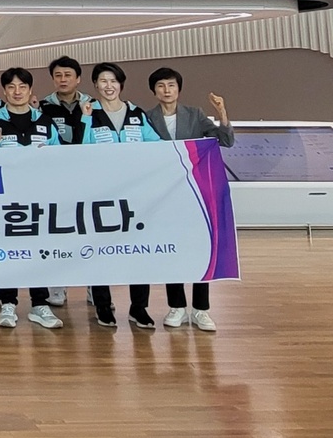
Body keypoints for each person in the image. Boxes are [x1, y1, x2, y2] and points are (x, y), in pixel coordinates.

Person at [145, 67, 233, 332]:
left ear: (178, 89)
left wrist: (222, 113)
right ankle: (177, 306)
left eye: (171, 85)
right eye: (161, 86)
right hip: (164, 194)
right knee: (172, 249)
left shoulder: (194, 114)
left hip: (195, 192)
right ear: (154, 91)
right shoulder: (147, 118)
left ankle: (201, 309)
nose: (167, 90)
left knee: (198, 248)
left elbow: (225, 140)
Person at [79, 61, 162, 329]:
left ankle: (139, 308)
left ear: (121, 84)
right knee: (100, 249)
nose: (109, 86)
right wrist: (85, 118)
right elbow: (79, 150)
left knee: (138, 250)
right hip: (100, 193)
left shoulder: (136, 113)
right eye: (103, 81)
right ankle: (103, 306)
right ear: (95, 85)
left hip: (136, 194)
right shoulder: (89, 113)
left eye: (113, 81)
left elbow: (157, 146)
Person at [0, 67, 63, 330]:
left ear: (30, 90)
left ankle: (40, 304)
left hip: (39, 198)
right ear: (4, 91)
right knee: (8, 250)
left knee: (38, 250)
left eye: (22, 87)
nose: (17, 92)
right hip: (5, 200)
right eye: (11, 87)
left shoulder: (45, 122)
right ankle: (8, 303)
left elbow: (61, 158)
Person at [35, 56, 93, 308]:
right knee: (57, 231)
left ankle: (94, 287)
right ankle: (57, 287)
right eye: (58, 75)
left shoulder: (92, 105)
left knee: (89, 230)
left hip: (87, 176)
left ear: (78, 78)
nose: (63, 79)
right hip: (54, 179)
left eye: (68, 75)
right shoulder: (43, 107)